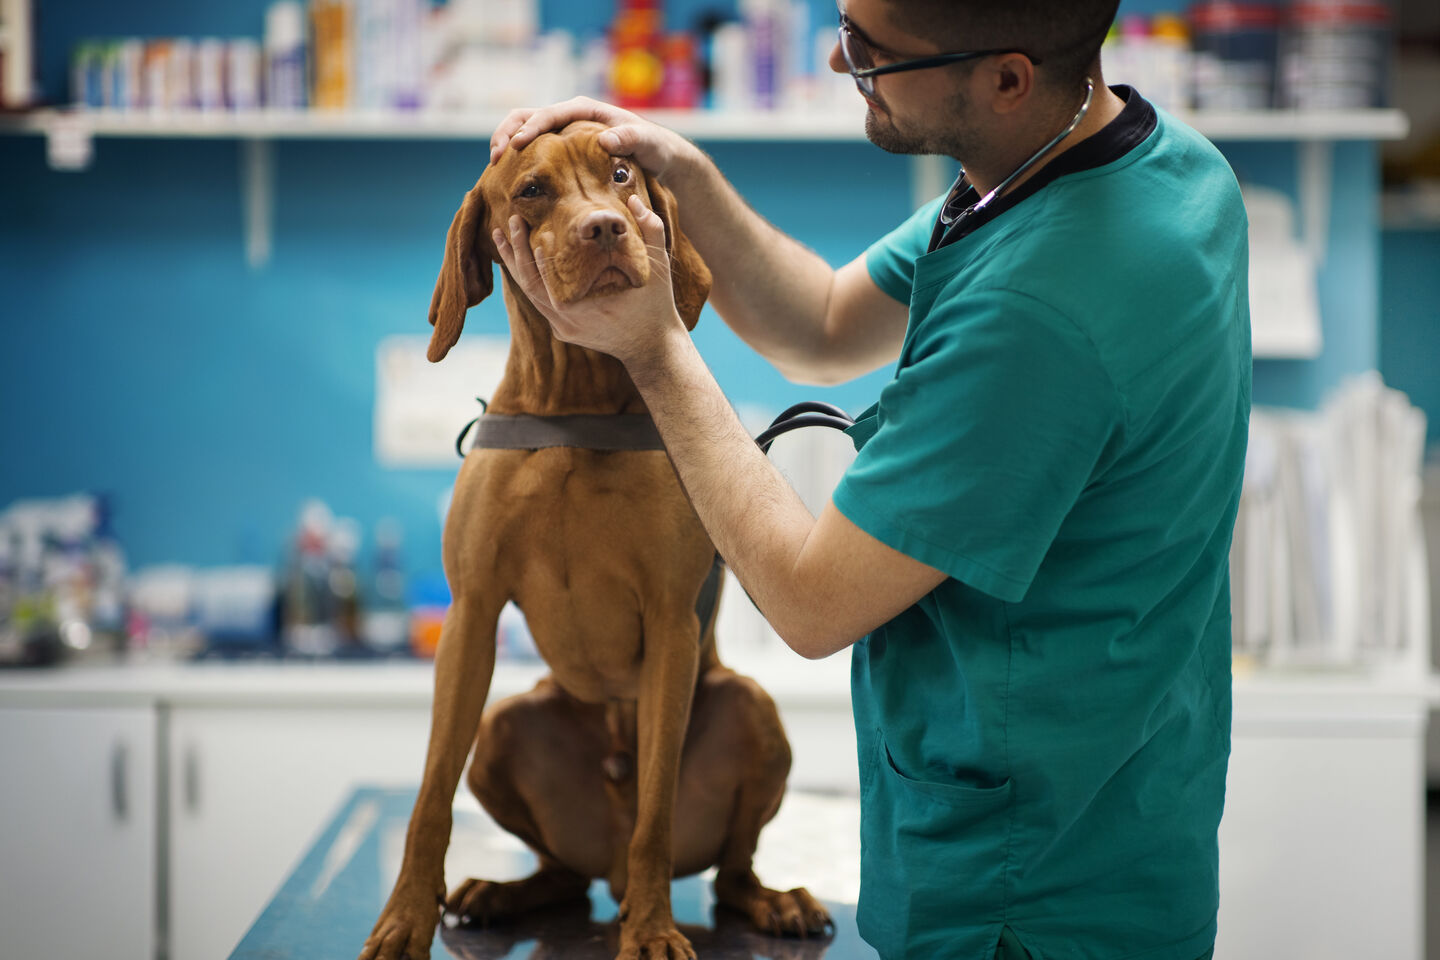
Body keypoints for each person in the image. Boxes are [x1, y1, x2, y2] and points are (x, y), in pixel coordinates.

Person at [485, 0, 1250, 956]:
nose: (845, 61)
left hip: (1028, 893)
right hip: (1125, 806)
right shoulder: (1127, 160)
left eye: (870, 51)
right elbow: (825, 325)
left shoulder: (1041, 307)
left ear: (1006, 77)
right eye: (846, 24)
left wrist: (653, 352)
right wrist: (677, 170)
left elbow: (810, 603)